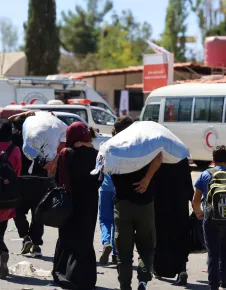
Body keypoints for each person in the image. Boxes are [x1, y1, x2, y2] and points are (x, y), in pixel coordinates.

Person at [110, 116, 162, 290]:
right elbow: (159, 157)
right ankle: (142, 280)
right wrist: (147, 179)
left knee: (123, 251)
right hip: (144, 203)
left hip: (122, 205)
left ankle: (125, 284)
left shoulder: (111, 147)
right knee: (146, 246)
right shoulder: (143, 145)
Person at [53, 122, 102, 290]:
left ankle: (65, 274)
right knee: (85, 239)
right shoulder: (97, 154)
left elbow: (57, 179)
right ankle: (86, 279)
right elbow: (99, 179)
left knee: (67, 237)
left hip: (69, 203)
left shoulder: (66, 153)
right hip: (89, 203)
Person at [9, 111, 54, 257]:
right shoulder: (43, 136)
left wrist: (23, 114)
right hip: (40, 180)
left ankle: (25, 236)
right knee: (37, 212)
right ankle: (36, 244)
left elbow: (7, 122)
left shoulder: (15, 136)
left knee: (18, 211)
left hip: (20, 180)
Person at [151, 158, 194, 285]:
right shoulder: (181, 158)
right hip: (180, 206)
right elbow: (188, 183)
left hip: (160, 204)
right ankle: (181, 269)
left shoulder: (158, 157)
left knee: (161, 236)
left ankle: (159, 269)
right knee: (180, 236)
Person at [193, 145, 226, 290]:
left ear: (213, 159)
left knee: (213, 252)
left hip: (211, 218)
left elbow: (196, 199)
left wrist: (199, 213)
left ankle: (213, 285)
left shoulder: (205, 174)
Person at [0, 119, 22, 279]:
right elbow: (17, 173)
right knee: (1, 231)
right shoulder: (15, 150)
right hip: (7, 199)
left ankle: (2, 252)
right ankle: (2, 253)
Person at [99, 173, 117, 265]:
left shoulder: (104, 157)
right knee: (116, 222)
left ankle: (106, 242)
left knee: (104, 220)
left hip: (105, 187)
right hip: (117, 187)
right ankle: (116, 254)